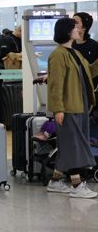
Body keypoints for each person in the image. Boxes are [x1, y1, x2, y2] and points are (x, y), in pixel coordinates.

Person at [45, 18, 98, 198]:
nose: (78, 30)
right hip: (68, 107)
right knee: (73, 145)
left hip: (80, 105)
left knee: (70, 144)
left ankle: (55, 181)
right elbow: (55, 85)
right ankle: (77, 185)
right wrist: (58, 109)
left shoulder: (74, 53)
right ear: (68, 31)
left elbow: (88, 72)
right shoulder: (58, 55)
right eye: (74, 28)